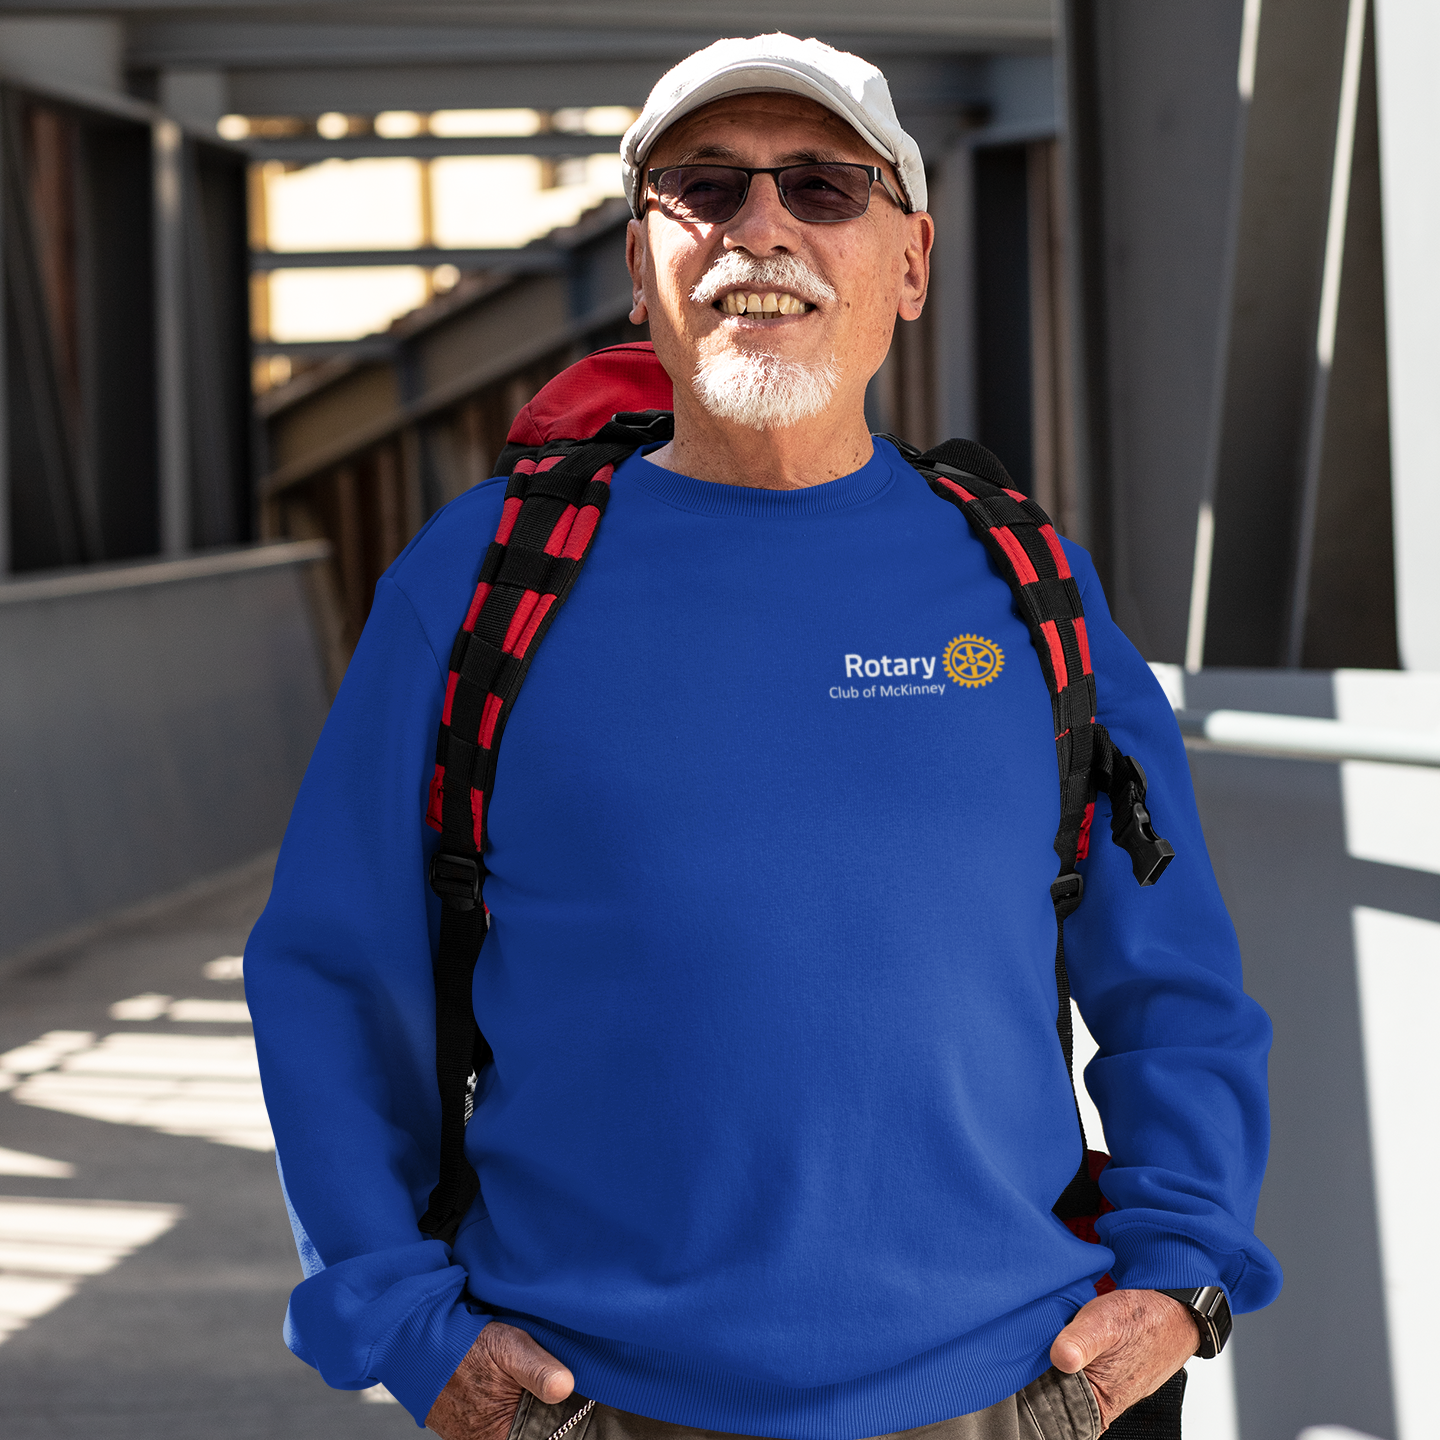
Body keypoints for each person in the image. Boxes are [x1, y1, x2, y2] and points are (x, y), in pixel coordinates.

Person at [245, 32, 1280, 1440]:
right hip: (585, 1402)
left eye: (823, 187)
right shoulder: (480, 583)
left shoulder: (1030, 588)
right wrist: (403, 1323)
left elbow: (1178, 982)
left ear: (911, 263)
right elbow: (328, 975)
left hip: (1007, 1393)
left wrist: (1183, 1273)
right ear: (639, 265)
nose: (762, 228)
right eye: (706, 188)